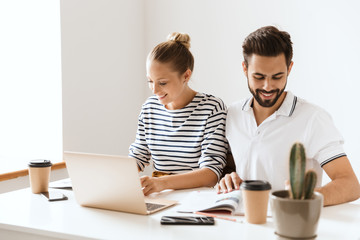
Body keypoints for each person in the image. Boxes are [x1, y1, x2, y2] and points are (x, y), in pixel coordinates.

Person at [216, 26, 360, 206]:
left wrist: (304, 197)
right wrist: (227, 177)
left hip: (290, 223)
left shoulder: (313, 118)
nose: (268, 86)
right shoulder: (233, 113)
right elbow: (235, 166)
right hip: (243, 221)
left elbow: (350, 185)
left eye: (277, 76)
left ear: (289, 68)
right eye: (259, 77)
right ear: (245, 69)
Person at [129, 32, 228, 196]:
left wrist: (162, 183)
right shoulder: (150, 108)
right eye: (150, 81)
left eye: (162, 83)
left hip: (197, 198)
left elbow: (211, 174)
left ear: (186, 76)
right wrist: (111, 175)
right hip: (161, 197)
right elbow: (138, 156)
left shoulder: (212, 108)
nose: (154, 90)